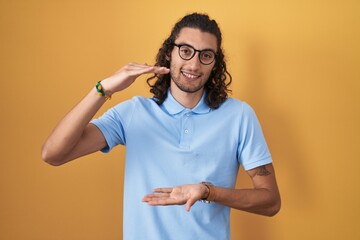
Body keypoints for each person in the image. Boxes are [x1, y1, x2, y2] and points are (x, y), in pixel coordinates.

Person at [42, 13, 281, 240]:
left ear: (215, 64)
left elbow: (270, 202)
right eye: (185, 51)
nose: (194, 64)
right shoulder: (134, 112)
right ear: (169, 53)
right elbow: (53, 154)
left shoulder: (238, 115)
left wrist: (208, 192)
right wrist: (103, 89)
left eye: (206, 55)